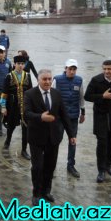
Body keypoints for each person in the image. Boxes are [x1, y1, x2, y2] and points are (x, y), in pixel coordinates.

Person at [24, 69, 76, 206]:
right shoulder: (30, 94)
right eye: (44, 79)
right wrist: (40, 117)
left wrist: (72, 135)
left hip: (53, 137)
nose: (47, 82)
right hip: (36, 137)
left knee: (50, 166)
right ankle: (36, 193)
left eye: (49, 79)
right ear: (38, 80)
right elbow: (26, 113)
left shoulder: (56, 94)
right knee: (37, 166)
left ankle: (46, 191)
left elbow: (64, 115)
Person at [84, 60, 111, 183]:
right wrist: (102, 96)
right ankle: (101, 170)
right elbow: (87, 96)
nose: (106, 71)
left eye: (109, 69)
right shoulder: (96, 80)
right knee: (102, 142)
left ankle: (109, 164)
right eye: (104, 69)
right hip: (101, 116)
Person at [52, 59, 85, 178]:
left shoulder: (79, 80)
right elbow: (52, 97)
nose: (72, 71)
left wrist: (83, 112)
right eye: (70, 69)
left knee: (73, 141)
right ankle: (52, 164)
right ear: (65, 68)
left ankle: (71, 165)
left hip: (73, 117)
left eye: (74, 69)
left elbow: (81, 97)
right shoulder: (57, 79)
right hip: (60, 117)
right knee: (56, 140)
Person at [0, 55, 33, 160]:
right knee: (11, 126)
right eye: (18, 64)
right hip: (12, 105)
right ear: (14, 64)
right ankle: (8, 141)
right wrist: (3, 106)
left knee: (26, 128)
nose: (20, 66)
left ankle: (24, 150)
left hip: (25, 107)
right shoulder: (9, 76)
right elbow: (4, 93)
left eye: (22, 64)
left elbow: (31, 92)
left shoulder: (27, 75)